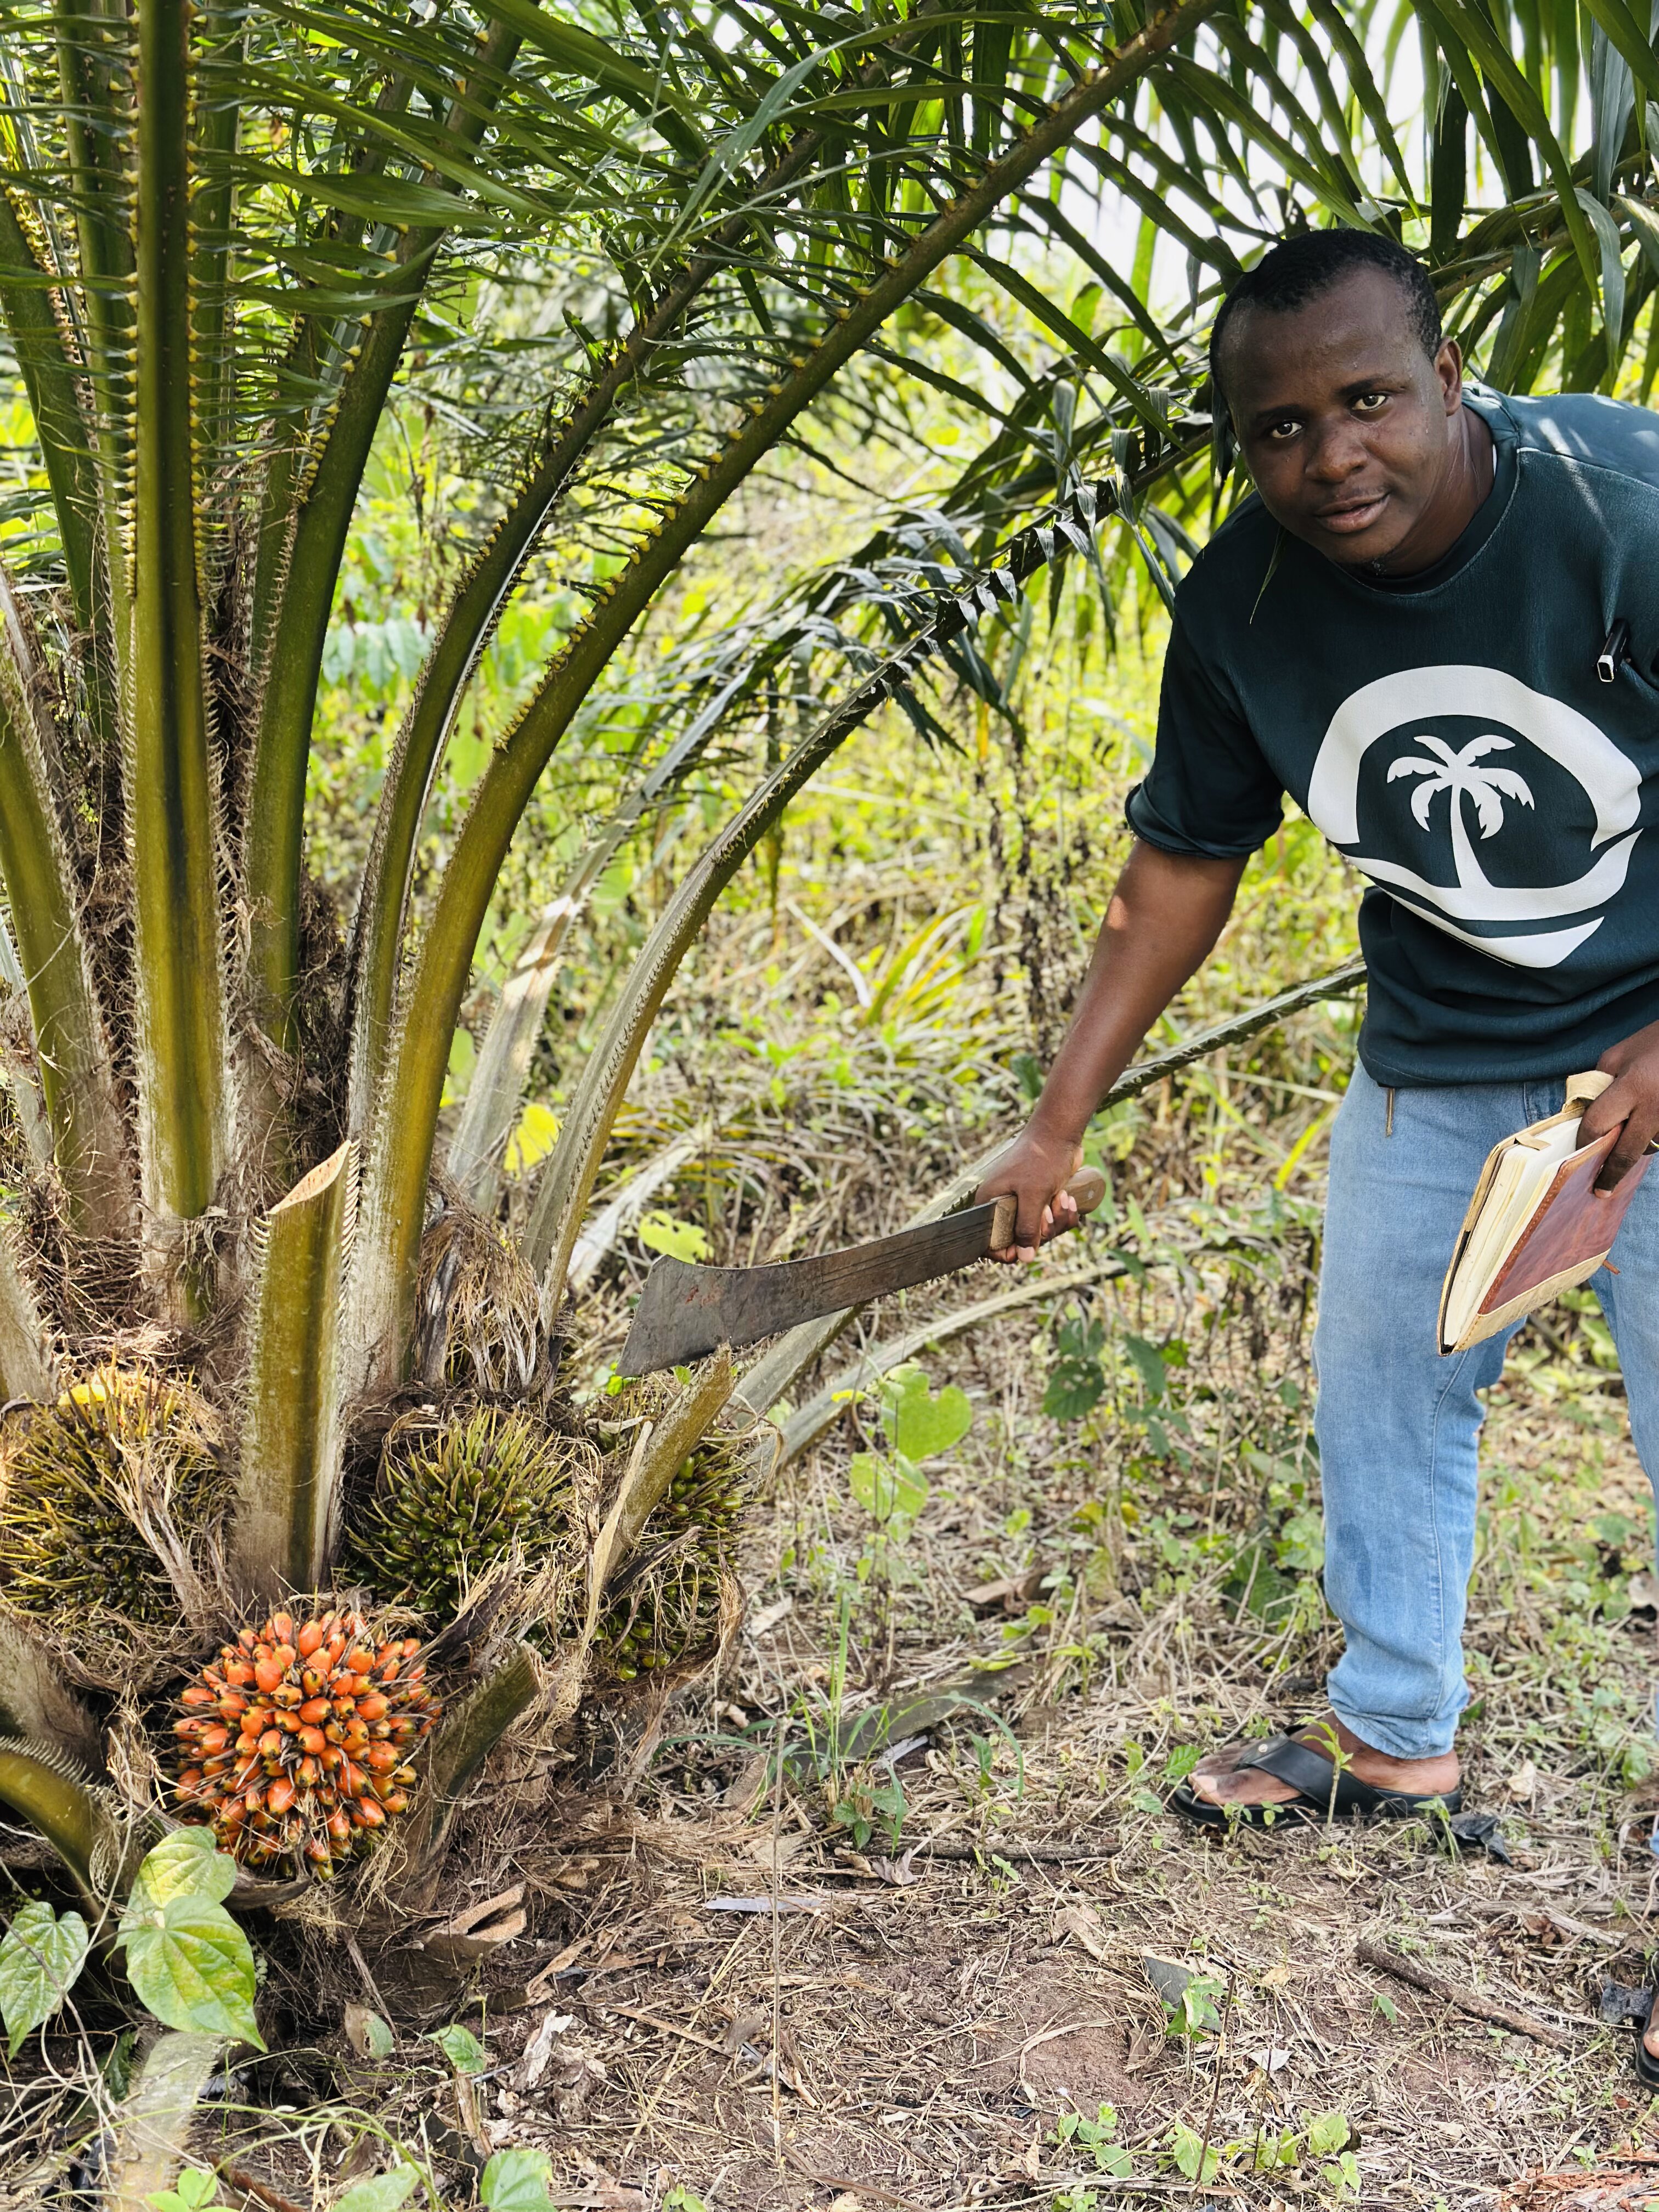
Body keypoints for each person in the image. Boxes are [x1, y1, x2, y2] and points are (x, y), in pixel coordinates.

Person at [978, 228, 1659, 2068]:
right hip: (1444, 1058)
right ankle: (1395, 1742)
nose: (1332, 458)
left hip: (1657, 1053)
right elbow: (1178, 872)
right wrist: (1054, 1125)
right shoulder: (1250, 608)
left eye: (1367, 401)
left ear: (1449, 381)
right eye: (1280, 430)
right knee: (1379, 1391)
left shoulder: (1626, 508)